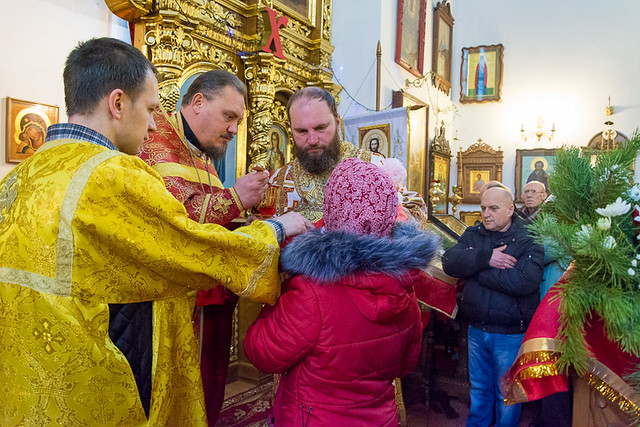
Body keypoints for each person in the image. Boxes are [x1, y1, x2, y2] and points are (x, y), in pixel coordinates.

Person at [0, 37, 310, 426]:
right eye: (149, 109)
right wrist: (277, 229)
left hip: (22, 379)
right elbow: (187, 246)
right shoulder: (112, 175)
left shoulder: (20, 175)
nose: (152, 123)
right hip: (84, 380)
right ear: (117, 104)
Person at [244, 158, 440, 426]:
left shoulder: (312, 292)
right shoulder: (405, 286)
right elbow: (406, 363)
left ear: (332, 210)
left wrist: (274, 298)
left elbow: (262, 351)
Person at [137, 69, 271, 425]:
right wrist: (237, 197)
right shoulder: (155, 143)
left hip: (208, 301)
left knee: (207, 389)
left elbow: (211, 221)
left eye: (238, 120)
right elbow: (175, 224)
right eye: (229, 116)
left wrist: (248, 219)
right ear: (198, 103)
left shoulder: (200, 153)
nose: (233, 129)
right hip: (171, 308)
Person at [441, 186, 543, 426]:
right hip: (476, 329)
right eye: (483, 208)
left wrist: (475, 271)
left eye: (493, 208)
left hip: (509, 334)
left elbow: (524, 282)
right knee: (478, 391)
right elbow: (450, 262)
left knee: (506, 395)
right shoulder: (474, 233)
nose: (486, 214)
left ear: (510, 210)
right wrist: (486, 258)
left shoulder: (529, 237)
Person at [270, 86, 384, 224]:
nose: (312, 140)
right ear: (290, 128)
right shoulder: (277, 182)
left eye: (321, 128)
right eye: (301, 131)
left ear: (337, 122)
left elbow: (410, 214)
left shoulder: (374, 166)